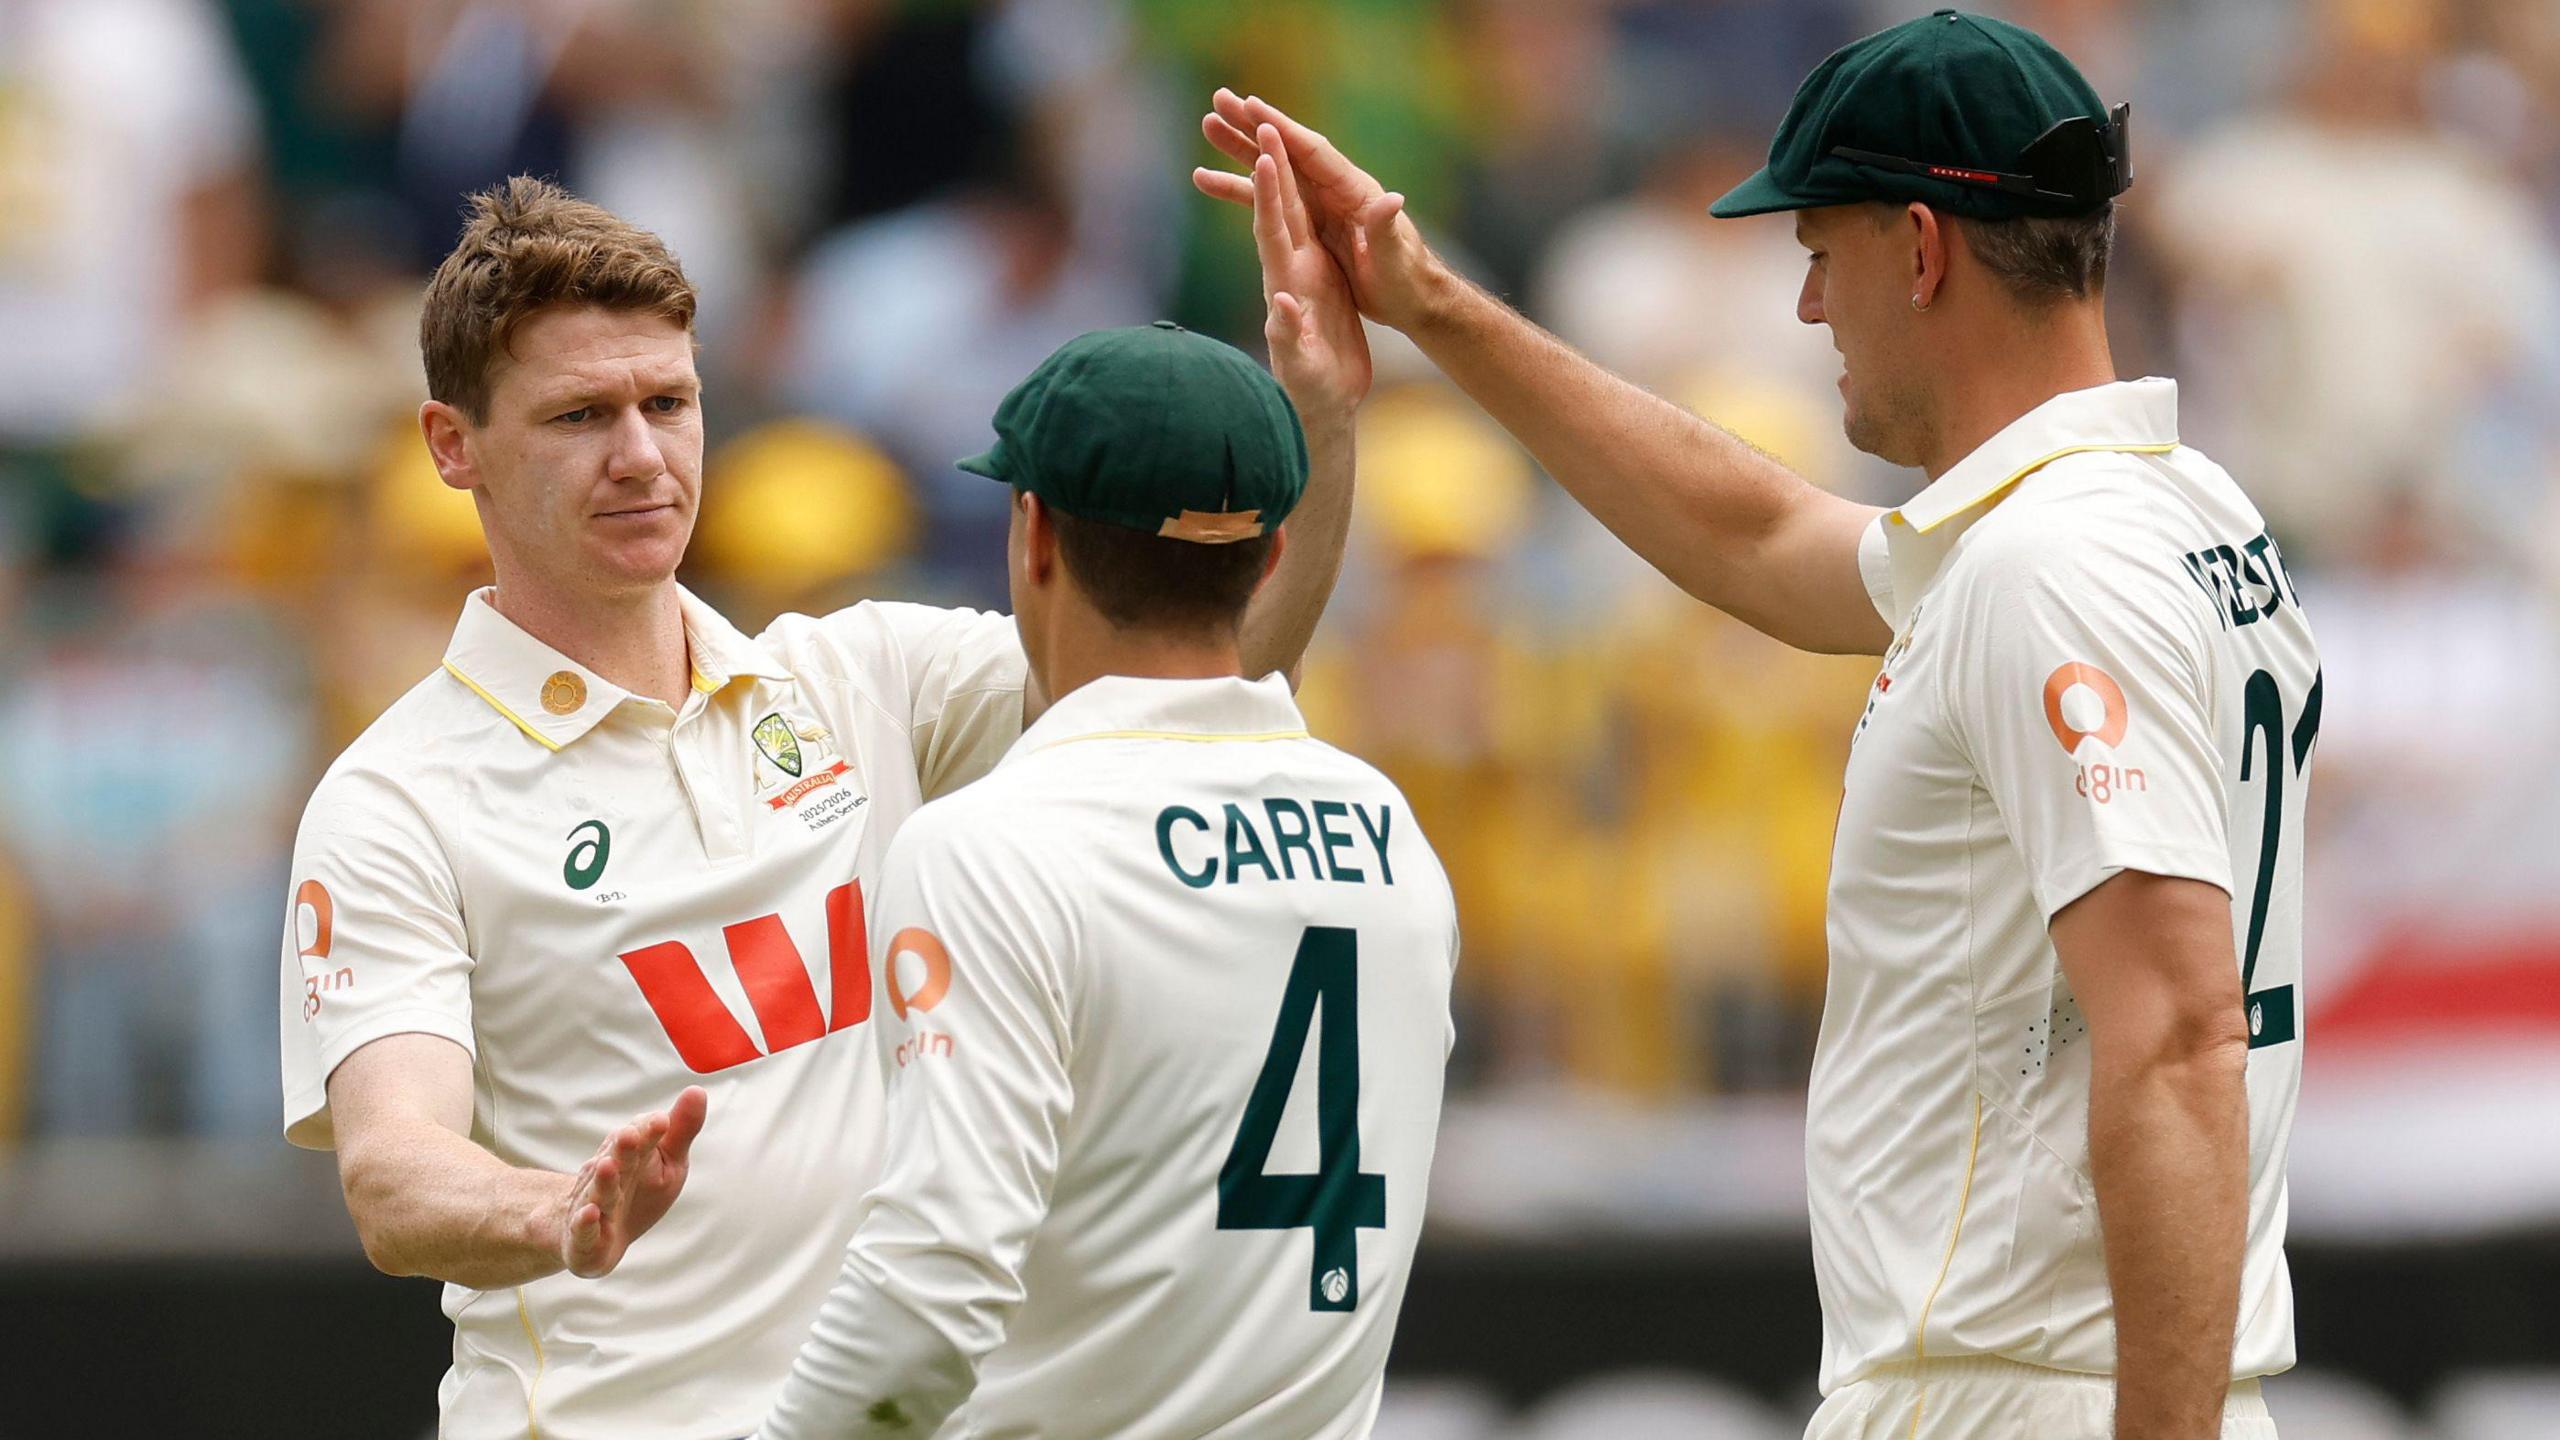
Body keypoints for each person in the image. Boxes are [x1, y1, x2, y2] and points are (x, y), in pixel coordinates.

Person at [1195, 11, 2317, 1439]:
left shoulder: (2047, 569)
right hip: (2090, 1376)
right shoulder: (2172, 514)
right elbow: (1759, 534)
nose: (1804, 313)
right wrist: (1434, 305)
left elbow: (2174, 1037)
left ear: (1921, 250)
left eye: (1817, 256)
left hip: (2024, 1391)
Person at [278, 156, 1367, 1440]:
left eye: (668, 404)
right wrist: (551, 1210)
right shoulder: (397, 797)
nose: (642, 456)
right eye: (580, 418)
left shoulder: (864, 677)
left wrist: (1329, 420)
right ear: (452, 447)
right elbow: (394, 1176)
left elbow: (1214, 664)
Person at [754, 319, 1458, 1440]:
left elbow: (935, 1285)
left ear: (1032, 534)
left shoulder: (991, 843)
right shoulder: (1388, 834)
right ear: (1268, 555)